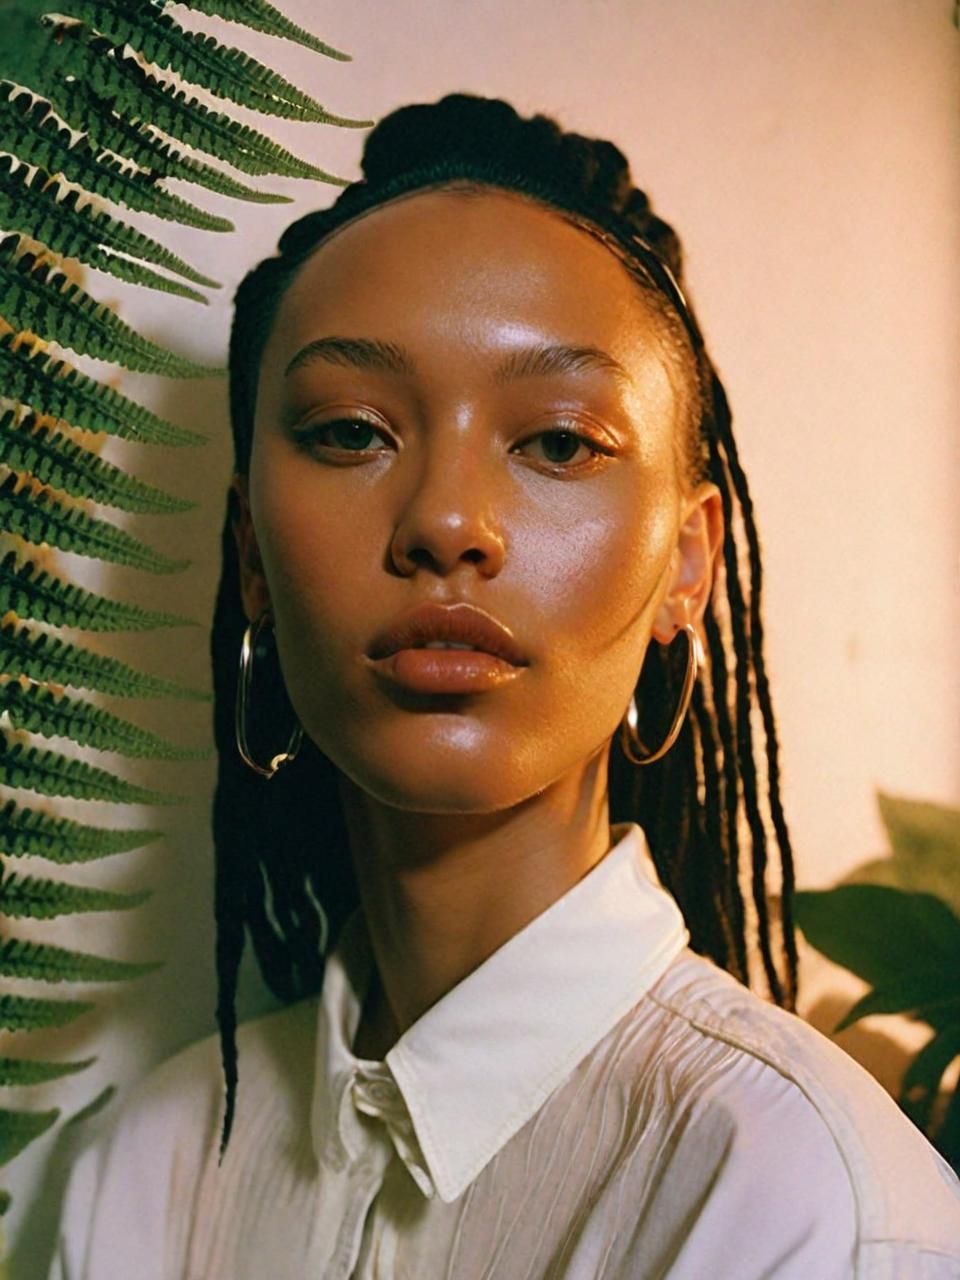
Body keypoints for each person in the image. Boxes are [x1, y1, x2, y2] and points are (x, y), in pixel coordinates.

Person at [50, 92, 960, 1279]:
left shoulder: (802, 1195)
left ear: (688, 565)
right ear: (251, 560)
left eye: (559, 443)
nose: (445, 520)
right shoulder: (140, 1177)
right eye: (347, 431)